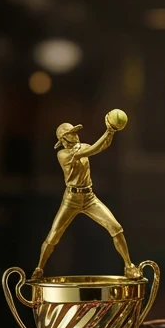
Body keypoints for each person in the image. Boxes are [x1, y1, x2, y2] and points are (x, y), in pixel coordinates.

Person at [32, 115, 138, 280]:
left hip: (89, 197)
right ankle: (39, 269)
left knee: (116, 228)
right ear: (63, 139)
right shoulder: (63, 154)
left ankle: (129, 266)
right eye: (71, 134)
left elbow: (102, 146)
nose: (75, 136)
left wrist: (110, 134)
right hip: (71, 199)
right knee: (53, 236)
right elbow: (93, 149)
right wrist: (108, 130)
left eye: (75, 132)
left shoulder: (81, 147)